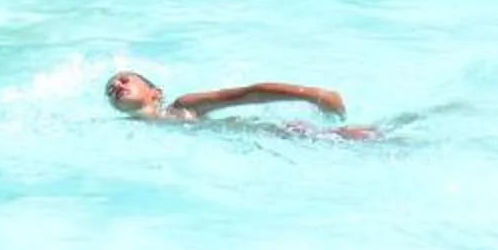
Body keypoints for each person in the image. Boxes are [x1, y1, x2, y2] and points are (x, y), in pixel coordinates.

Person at [103, 70, 375, 138]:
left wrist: (315, 95)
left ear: (155, 93)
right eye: (111, 90)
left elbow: (248, 94)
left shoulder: (181, 107)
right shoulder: (126, 130)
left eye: (124, 80)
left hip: (285, 135)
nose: (117, 87)